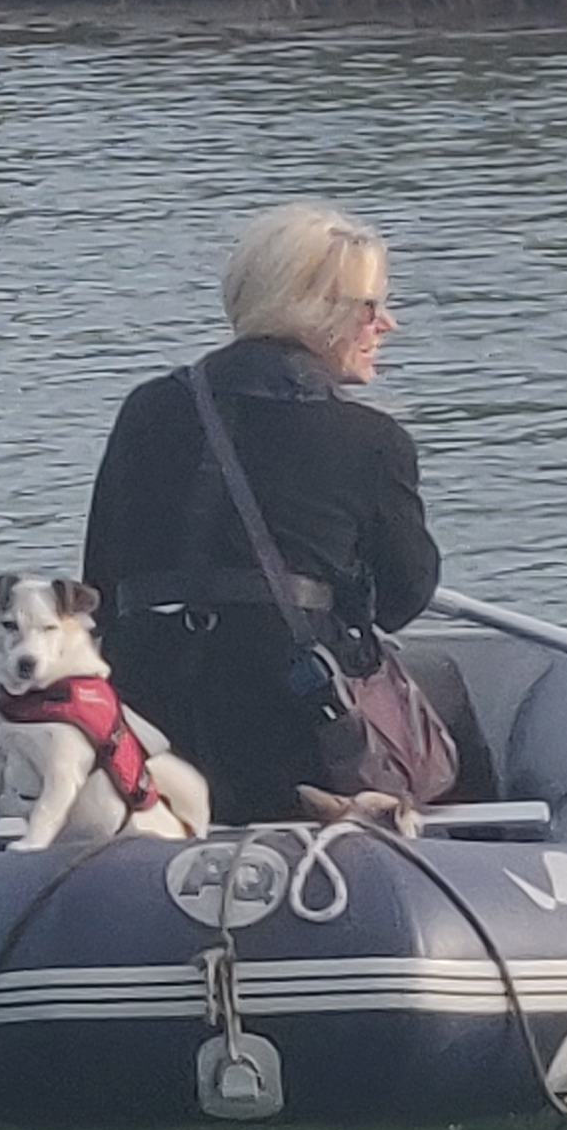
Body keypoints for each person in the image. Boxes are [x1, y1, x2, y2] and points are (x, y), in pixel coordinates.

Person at [82, 200, 442, 824]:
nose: (386, 324)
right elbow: (402, 600)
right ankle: (485, 858)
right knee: (445, 685)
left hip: (155, 725)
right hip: (294, 737)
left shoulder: (145, 410)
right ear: (320, 311)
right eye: (370, 307)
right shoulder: (372, 440)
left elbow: (101, 584)